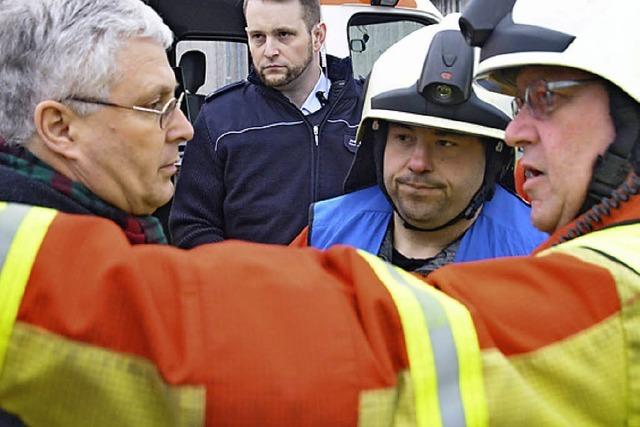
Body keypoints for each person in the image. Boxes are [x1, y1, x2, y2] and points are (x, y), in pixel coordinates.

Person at [1, 0, 640, 425]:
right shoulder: (330, 223)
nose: (517, 131)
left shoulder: (592, 273)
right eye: (403, 138)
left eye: (547, 98)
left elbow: (345, 352)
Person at [292, 18, 547, 273]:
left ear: (495, 158)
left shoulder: (539, 259)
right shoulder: (325, 235)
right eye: (404, 138)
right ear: (377, 143)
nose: (418, 163)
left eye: (445, 143)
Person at [169, 0, 364, 247]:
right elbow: (192, 226)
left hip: (350, 281)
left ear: (317, 36)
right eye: (258, 37)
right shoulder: (220, 119)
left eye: (284, 35)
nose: (269, 50)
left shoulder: (367, 111)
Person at [0, 0, 194, 245]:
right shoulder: (66, 261)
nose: (185, 129)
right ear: (61, 129)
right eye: (155, 105)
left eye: (173, 102)